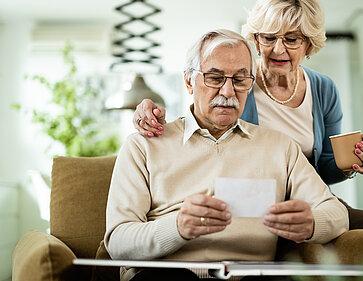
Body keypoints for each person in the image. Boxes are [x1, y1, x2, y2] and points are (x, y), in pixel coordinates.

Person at [131, 1, 363, 276]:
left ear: (309, 44)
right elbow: (205, 119)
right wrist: (148, 112)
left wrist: (351, 163)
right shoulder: (240, 81)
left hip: (304, 195)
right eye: (269, 38)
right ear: (256, 40)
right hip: (258, 199)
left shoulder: (323, 89)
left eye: (292, 39)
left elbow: (325, 168)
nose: (278, 49)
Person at [105, 29, 349, 281]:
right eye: (214, 77)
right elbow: (118, 242)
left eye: (240, 80)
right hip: (166, 275)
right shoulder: (143, 145)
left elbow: (336, 214)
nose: (228, 91)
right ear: (189, 81)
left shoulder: (280, 147)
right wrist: (177, 227)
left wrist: (311, 224)